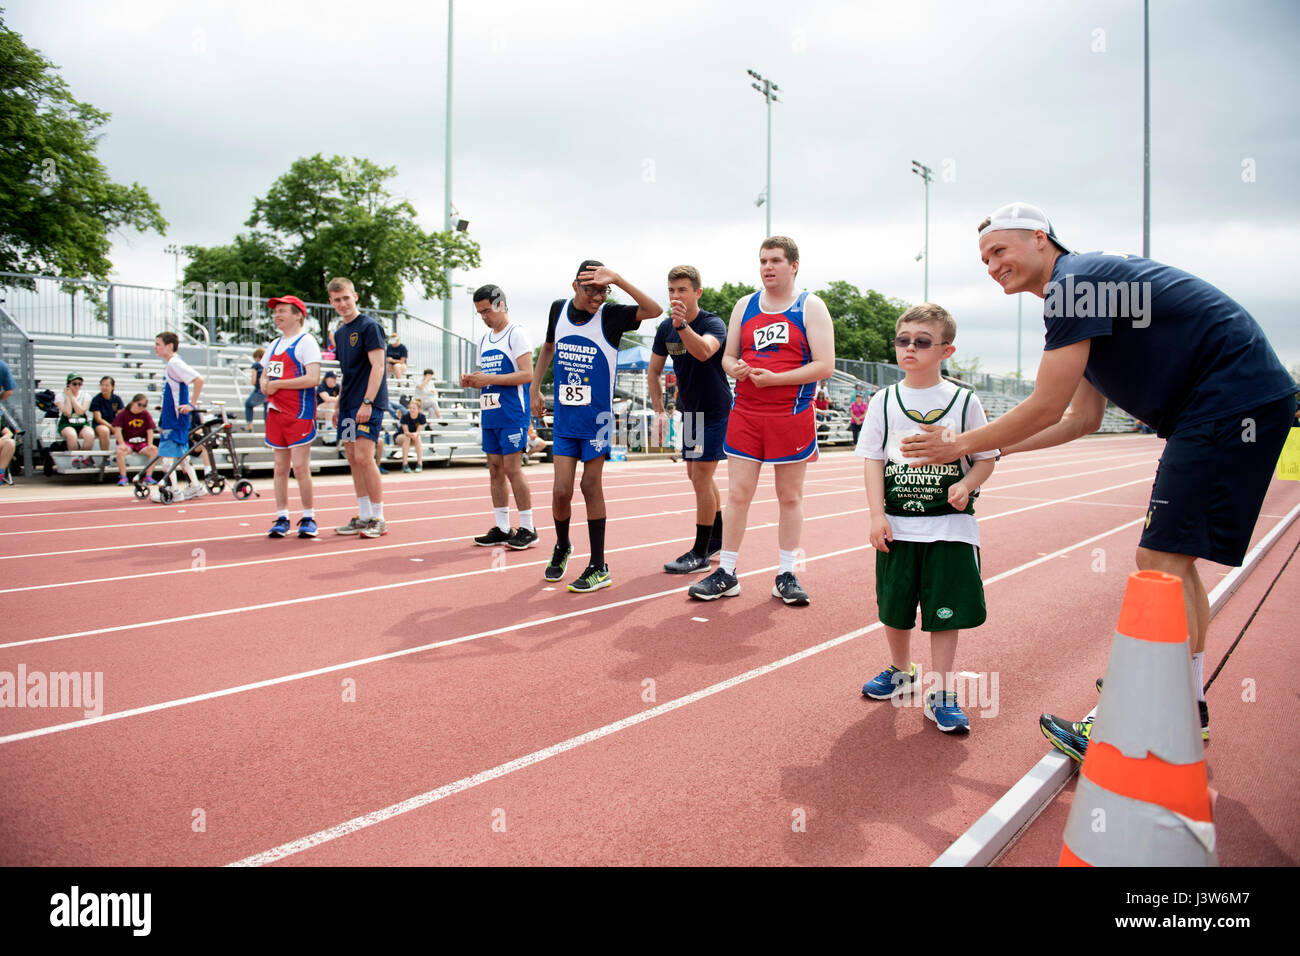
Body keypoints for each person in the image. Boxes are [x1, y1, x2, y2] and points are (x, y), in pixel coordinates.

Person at [904, 201, 1296, 759]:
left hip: (1228, 403)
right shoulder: (1082, 293)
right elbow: (1079, 420)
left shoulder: (1074, 284)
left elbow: (1045, 404)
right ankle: (1184, 705)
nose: (992, 265)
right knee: (1172, 562)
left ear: (1041, 239)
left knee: (1158, 564)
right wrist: (986, 448)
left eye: (1000, 250)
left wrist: (957, 443)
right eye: (984, 258)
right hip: (1230, 402)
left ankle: (1144, 724)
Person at [857, 304, 998, 732]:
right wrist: (876, 514)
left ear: (946, 350)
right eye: (903, 341)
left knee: (945, 612)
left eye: (922, 342)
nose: (910, 349)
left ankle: (941, 690)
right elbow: (872, 461)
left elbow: (987, 456)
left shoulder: (963, 400)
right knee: (895, 608)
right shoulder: (884, 400)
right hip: (899, 527)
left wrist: (967, 484)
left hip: (949, 529)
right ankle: (901, 670)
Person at [689, 236, 835, 606]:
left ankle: (786, 574)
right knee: (738, 495)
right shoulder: (746, 305)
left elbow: (825, 365)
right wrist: (733, 367)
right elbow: (727, 355)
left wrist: (777, 380)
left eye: (775, 260)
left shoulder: (811, 306)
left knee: (789, 497)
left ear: (794, 265)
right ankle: (727, 572)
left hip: (790, 414)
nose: (767, 267)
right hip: (747, 414)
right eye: (763, 261)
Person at [530, 260, 662, 592]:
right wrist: (534, 388)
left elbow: (654, 309)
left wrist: (618, 279)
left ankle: (598, 565)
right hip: (564, 418)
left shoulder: (612, 316)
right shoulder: (558, 310)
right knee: (561, 491)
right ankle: (562, 546)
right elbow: (548, 348)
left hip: (598, 420)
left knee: (590, 487)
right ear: (575, 285)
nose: (599, 297)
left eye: (605, 290)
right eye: (593, 290)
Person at [648, 264, 729, 574]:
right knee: (696, 478)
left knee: (702, 479)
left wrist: (683, 326)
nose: (675, 295)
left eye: (682, 289)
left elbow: (705, 351)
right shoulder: (665, 329)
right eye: (671, 290)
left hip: (715, 411)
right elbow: (654, 371)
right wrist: (658, 411)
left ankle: (700, 552)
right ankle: (716, 537)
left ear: (698, 292)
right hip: (691, 412)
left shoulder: (712, 323)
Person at [462, 284, 536, 549]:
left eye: (486, 311)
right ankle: (503, 527)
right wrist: (473, 381)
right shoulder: (483, 339)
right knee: (494, 469)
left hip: (512, 413)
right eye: (479, 313)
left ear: (500, 305)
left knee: (512, 469)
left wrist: (489, 378)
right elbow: (488, 377)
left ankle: (528, 527)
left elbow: (527, 374)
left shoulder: (517, 334)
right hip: (490, 413)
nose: (484, 317)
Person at [327, 277, 388, 538]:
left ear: (355, 296)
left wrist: (367, 402)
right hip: (349, 404)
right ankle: (363, 516)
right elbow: (347, 373)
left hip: (367, 404)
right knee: (352, 459)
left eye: (346, 298)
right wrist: (339, 405)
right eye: (336, 300)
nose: (342, 303)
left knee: (364, 457)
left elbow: (378, 366)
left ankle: (379, 517)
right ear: (331, 302)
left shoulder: (370, 326)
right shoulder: (339, 333)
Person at [261, 295, 322, 538]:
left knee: (299, 467)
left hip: (299, 412)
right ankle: (282, 516)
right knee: (279, 467)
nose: (277, 315)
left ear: (298, 315)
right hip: (276, 413)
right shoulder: (274, 344)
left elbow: (313, 378)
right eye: (275, 312)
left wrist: (278, 385)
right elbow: (266, 376)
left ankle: (309, 516)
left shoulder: (306, 342)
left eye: (282, 311)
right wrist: (265, 384)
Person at [152, 332, 206, 501]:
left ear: (169, 346)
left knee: (166, 455)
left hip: (174, 419)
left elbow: (199, 380)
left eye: (158, 344)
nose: (155, 347)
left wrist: (192, 404)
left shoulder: (174, 363)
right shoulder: (172, 364)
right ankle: (195, 486)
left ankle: (173, 491)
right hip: (174, 415)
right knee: (182, 455)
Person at [111, 393, 160, 485]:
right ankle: (123, 477)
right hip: (127, 442)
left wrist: (150, 444)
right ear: (133, 402)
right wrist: (121, 443)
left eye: (144, 405)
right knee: (120, 451)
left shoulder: (145, 414)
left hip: (141, 442)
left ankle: (148, 476)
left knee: (155, 451)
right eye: (139, 404)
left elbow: (150, 430)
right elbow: (117, 429)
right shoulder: (123, 413)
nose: (141, 407)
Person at [56, 373, 97, 468]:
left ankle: (85, 457)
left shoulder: (85, 395)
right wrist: (68, 397)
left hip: (81, 423)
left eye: (80, 384)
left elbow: (81, 411)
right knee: (71, 434)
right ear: (68, 384)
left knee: (90, 434)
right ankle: (75, 458)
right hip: (66, 424)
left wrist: (72, 398)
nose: (77, 386)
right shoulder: (60, 396)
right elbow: (67, 412)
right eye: (74, 384)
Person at [90, 376, 125, 455]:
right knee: (104, 431)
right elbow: (98, 419)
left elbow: (121, 415)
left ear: (113, 387)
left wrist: (116, 426)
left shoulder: (117, 399)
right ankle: (106, 458)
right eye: (102, 385)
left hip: (114, 423)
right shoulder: (96, 399)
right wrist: (111, 427)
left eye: (107, 385)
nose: (104, 387)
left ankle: (122, 456)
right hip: (100, 424)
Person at [396, 397, 427, 472]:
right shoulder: (405, 416)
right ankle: (405, 464)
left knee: (418, 437)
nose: (412, 410)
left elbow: (418, 431)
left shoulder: (422, 417)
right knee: (407, 437)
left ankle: (419, 464)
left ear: (419, 410)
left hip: (413, 437)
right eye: (411, 408)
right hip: (400, 437)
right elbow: (405, 431)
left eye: (414, 408)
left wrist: (415, 434)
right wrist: (412, 434)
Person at [244, 347, 269, 430]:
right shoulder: (269, 364)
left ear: (257, 357)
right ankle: (268, 429)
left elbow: (253, 381)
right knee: (267, 410)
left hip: (259, 390)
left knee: (248, 404)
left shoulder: (256, 365)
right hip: (268, 390)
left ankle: (249, 425)